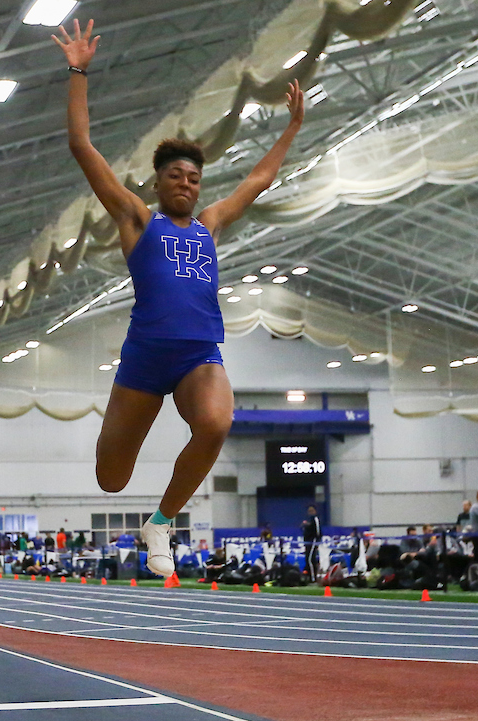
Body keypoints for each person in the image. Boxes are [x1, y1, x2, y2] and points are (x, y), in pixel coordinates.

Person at [55, 19, 305, 578]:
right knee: (110, 478)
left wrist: (291, 128)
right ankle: (136, 494)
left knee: (217, 424)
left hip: (199, 354)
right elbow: (80, 145)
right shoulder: (138, 219)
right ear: (159, 181)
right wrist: (77, 71)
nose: (186, 184)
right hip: (145, 356)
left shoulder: (210, 226)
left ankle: (162, 521)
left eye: (193, 177)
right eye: (175, 175)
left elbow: (258, 181)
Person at [301, 504, 321, 580]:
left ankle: (313, 577)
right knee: (307, 559)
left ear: (315, 511)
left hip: (313, 541)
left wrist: (317, 540)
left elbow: (318, 531)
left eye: (312, 511)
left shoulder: (315, 519)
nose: (310, 512)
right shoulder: (308, 520)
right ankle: (309, 576)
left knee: (310, 559)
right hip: (307, 542)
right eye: (309, 511)